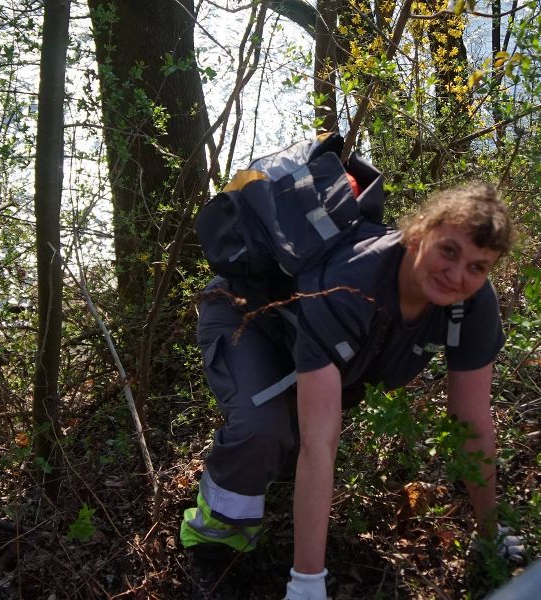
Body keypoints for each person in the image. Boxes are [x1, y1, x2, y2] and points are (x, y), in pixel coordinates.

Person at [181, 182, 516, 599]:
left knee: (293, 437)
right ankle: (213, 546)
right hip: (248, 317)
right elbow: (321, 445)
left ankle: (274, 475)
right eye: (448, 250)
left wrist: (489, 531)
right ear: (419, 233)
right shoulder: (349, 284)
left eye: (477, 266)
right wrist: (307, 583)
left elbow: (472, 422)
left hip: (315, 343)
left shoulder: (472, 304)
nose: (457, 275)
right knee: (261, 431)